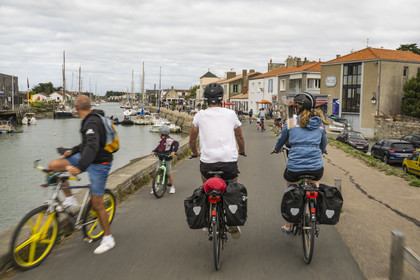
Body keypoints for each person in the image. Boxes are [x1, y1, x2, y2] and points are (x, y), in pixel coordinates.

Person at [48, 95, 115, 254]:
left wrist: (79, 167)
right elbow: (86, 144)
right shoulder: (89, 119)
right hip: (86, 157)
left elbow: (92, 146)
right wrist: (73, 150)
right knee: (54, 166)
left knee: (98, 204)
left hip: (100, 164)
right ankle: (71, 199)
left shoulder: (92, 122)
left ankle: (108, 238)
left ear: (77, 109)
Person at [189, 83, 245, 239]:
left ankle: (207, 217)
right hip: (229, 162)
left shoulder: (199, 115)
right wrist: (242, 150)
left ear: (206, 99)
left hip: (208, 163)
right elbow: (239, 136)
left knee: (206, 185)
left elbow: (192, 139)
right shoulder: (231, 114)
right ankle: (232, 219)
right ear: (222, 98)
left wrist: (195, 153)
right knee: (231, 186)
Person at [272, 92, 328, 235]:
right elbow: (323, 145)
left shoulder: (290, 123)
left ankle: (289, 225)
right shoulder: (320, 123)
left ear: (298, 108)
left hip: (295, 168)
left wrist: (276, 149)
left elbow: (281, 140)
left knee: (291, 189)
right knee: (315, 183)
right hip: (316, 168)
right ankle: (318, 213)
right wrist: (322, 151)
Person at [151, 125, 179, 194]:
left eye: (159, 132)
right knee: (157, 172)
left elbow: (176, 143)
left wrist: (173, 151)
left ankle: (172, 187)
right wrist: (154, 151)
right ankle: (155, 185)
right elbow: (158, 148)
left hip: (167, 159)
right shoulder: (162, 141)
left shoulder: (168, 139)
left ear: (162, 133)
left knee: (169, 173)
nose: (159, 134)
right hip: (161, 158)